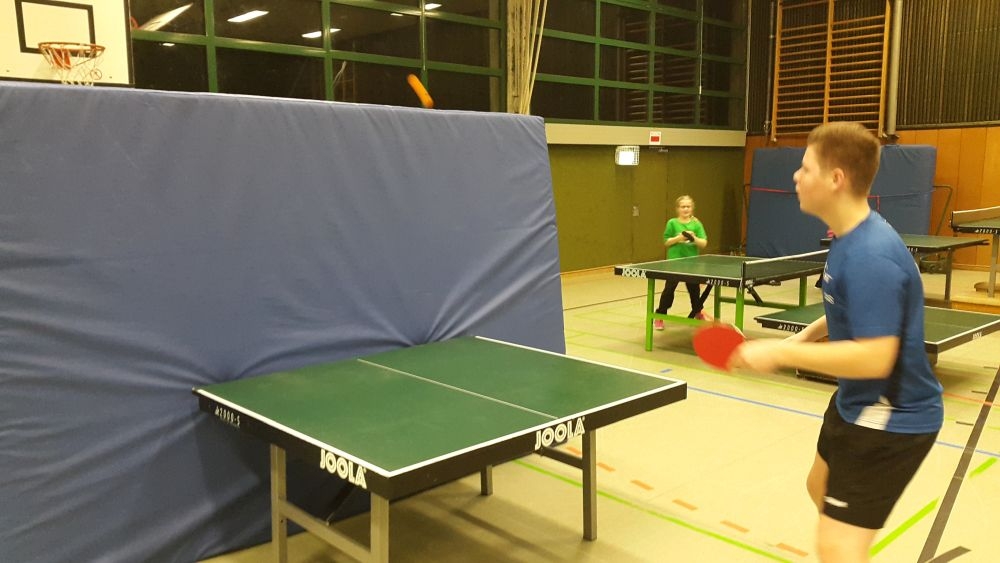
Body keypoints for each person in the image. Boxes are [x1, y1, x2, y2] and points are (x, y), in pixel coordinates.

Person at [729, 122, 942, 563]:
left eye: (806, 167)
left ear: (836, 178)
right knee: (819, 486)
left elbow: (875, 357)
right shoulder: (848, 237)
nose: (796, 176)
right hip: (854, 399)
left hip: (891, 416)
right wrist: (805, 335)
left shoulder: (871, 255)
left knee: (837, 548)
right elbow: (846, 305)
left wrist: (780, 353)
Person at [653, 195, 711, 330]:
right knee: (669, 290)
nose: (685, 209)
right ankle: (660, 315)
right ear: (678, 209)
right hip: (675, 263)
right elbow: (666, 242)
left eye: (688, 206)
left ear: (692, 208)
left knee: (694, 291)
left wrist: (694, 238)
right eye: (683, 206)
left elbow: (703, 243)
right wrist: (679, 238)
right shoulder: (672, 223)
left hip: (692, 264)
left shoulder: (697, 224)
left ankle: (697, 312)